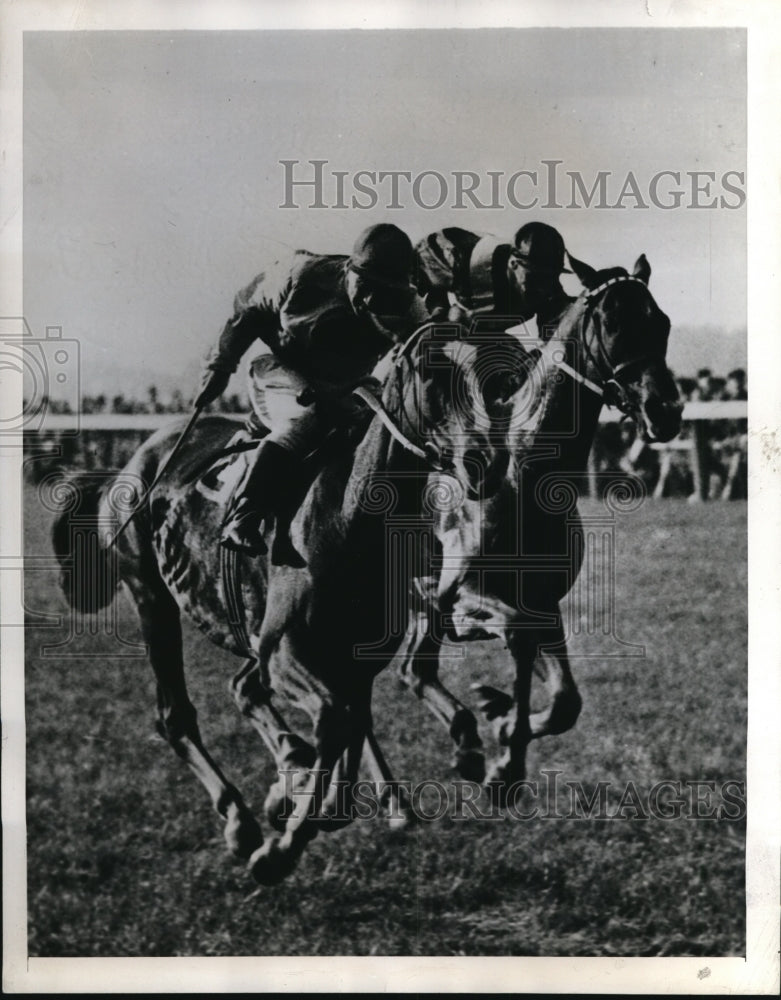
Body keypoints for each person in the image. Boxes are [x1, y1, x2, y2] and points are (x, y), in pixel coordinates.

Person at [196, 223, 428, 562]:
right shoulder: (300, 274)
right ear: (349, 269)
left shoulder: (409, 307)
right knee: (308, 416)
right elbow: (245, 309)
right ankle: (244, 516)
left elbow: (428, 352)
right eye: (365, 287)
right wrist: (220, 366)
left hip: (346, 385)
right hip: (280, 371)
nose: (370, 301)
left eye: (384, 291)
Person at [413, 221, 572, 338]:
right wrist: (439, 310)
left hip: (477, 315)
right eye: (536, 277)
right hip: (436, 268)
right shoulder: (466, 259)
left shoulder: (549, 287)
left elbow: (556, 334)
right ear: (514, 264)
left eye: (550, 278)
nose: (543, 288)